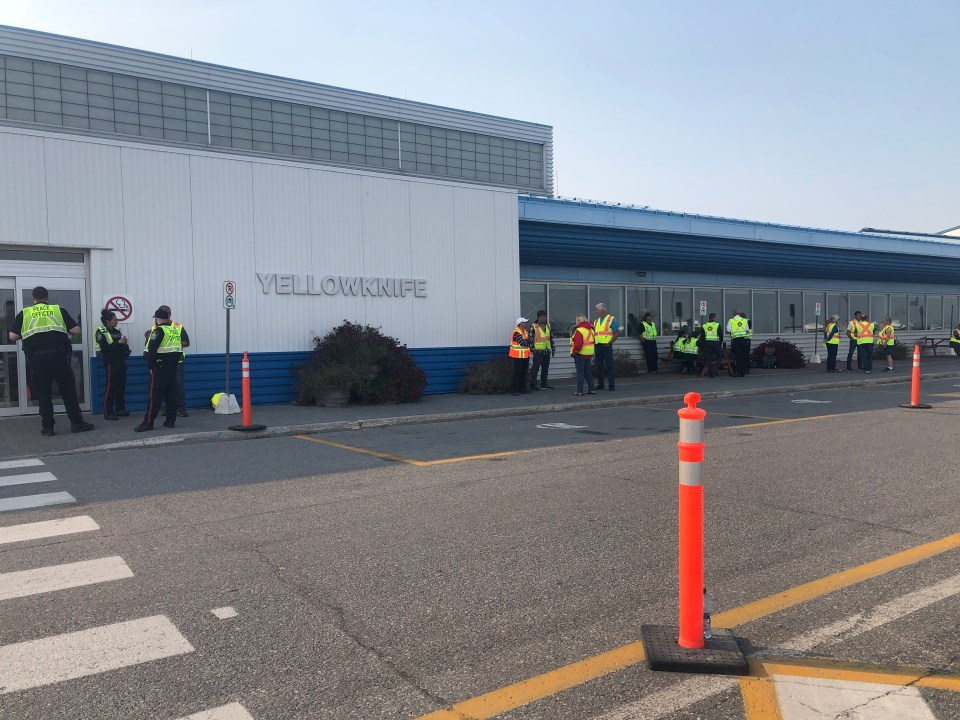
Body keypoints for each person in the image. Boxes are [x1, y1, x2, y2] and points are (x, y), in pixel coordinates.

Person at [7, 286, 94, 436]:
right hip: (59, 356)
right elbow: (76, 330)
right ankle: (76, 423)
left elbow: (12, 336)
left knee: (43, 393)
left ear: (33, 299)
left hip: (37, 359)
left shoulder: (25, 313)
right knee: (68, 390)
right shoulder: (58, 310)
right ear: (47, 298)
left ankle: (48, 428)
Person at [136, 307, 187, 431]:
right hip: (173, 366)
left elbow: (151, 350)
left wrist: (151, 366)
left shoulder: (158, 331)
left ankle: (148, 422)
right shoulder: (174, 331)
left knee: (155, 396)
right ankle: (170, 421)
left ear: (157, 319)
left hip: (160, 368)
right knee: (171, 395)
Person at [144, 305, 191, 417]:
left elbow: (186, 342)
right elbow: (150, 347)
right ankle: (169, 410)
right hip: (160, 363)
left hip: (176, 362)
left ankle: (181, 408)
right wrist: (147, 338)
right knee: (164, 387)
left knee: (178, 386)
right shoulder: (155, 329)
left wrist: (173, 342)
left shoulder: (177, 327)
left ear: (169, 315)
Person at [94, 309, 131, 419]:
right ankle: (108, 412)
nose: (116, 321)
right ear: (108, 321)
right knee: (111, 386)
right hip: (110, 362)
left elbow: (121, 345)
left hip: (120, 361)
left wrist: (125, 345)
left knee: (121, 385)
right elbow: (104, 348)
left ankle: (120, 409)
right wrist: (118, 343)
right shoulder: (101, 332)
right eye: (114, 320)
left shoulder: (117, 332)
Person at [593, 303, 620, 390]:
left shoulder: (611, 319)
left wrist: (610, 343)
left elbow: (617, 332)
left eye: (597, 310)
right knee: (599, 366)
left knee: (609, 366)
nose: (595, 311)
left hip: (606, 346)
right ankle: (601, 385)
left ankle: (611, 385)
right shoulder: (596, 321)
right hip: (597, 346)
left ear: (603, 310)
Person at [528, 310, 555, 390]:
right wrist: (533, 350)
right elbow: (530, 340)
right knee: (535, 369)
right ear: (538, 318)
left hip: (546, 351)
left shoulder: (548, 326)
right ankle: (533, 384)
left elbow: (551, 338)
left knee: (545, 369)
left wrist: (553, 348)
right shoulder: (534, 327)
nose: (545, 319)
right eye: (543, 317)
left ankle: (544, 384)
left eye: (545, 317)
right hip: (538, 351)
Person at [569, 314, 596, 396]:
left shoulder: (579, 330)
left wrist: (574, 353)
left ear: (579, 321)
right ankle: (592, 389)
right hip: (589, 353)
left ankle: (580, 391)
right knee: (588, 373)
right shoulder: (591, 330)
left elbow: (578, 344)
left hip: (580, 354)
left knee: (580, 373)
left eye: (576, 320)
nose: (575, 322)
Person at [508, 317, 531, 397]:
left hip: (525, 356)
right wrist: (528, 341)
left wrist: (528, 341)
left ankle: (522, 388)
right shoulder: (516, 332)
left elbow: (530, 341)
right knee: (517, 373)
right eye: (524, 322)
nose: (526, 324)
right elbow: (523, 343)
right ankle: (514, 390)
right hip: (517, 356)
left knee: (523, 373)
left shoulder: (525, 332)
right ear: (520, 324)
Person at [727, 310, 751, 377]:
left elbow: (728, 330)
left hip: (736, 340)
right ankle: (742, 372)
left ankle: (738, 372)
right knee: (743, 356)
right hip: (743, 340)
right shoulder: (744, 320)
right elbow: (747, 330)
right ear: (739, 314)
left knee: (737, 357)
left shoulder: (731, 320)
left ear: (733, 314)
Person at [700, 313, 723, 378]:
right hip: (716, 343)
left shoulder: (704, 325)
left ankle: (710, 373)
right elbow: (720, 335)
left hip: (707, 343)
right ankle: (714, 370)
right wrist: (719, 343)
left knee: (708, 358)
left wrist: (704, 345)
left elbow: (702, 337)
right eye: (715, 317)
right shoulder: (717, 325)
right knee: (720, 356)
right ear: (713, 318)